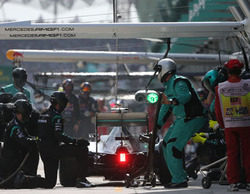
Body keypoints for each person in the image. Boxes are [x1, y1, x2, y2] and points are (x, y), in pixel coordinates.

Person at [156, 58, 207, 188]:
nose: (158, 74)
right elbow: (165, 109)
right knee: (166, 143)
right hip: (182, 119)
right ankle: (176, 177)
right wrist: (157, 125)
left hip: (192, 118)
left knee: (173, 145)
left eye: (159, 70)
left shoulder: (179, 82)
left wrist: (172, 101)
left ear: (165, 69)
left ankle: (179, 179)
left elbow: (185, 96)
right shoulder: (168, 87)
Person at [37, 91, 93, 188]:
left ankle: (27, 179)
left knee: (49, 183)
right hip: (53, 150)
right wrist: (75, 141)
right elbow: (59, 136)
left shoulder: (43, 114)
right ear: (60, 104)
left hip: (43, 151)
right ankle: (81, 179)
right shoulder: (56, 117)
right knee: (82, 149)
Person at [214, 59, 250, 192]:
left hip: (229, 125)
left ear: (228, 71)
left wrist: (222, 124)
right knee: (248, 153)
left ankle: (233, 182)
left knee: (232, 154)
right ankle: (249, 181)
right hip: (246, 124)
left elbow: (218, 110)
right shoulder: (248, 84)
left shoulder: (220, 88)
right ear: (240, 70)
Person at [0, 99, 46, 189]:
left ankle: (29, 174)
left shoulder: (19, 125)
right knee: (43, 182)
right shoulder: (14, 127)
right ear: (21, 113)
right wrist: (35, 141)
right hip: (11, 167)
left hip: (16, 163)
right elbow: (25, 141)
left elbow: (28, 137)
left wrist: (37, 139)